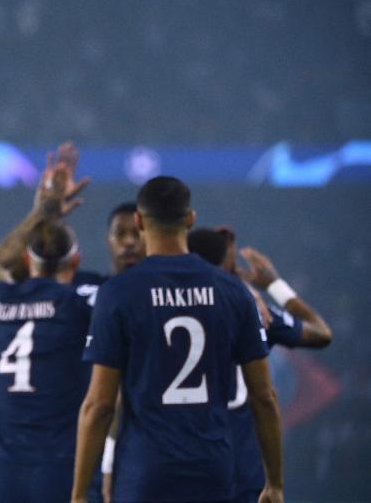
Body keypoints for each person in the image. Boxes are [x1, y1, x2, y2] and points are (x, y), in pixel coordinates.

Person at [71, 177, 284, 503]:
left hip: (143, 471)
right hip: (212, 466)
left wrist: (79, 495)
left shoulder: (118, 293)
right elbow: (264, 397)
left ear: (140, 221)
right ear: (190, 219)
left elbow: (99, 405)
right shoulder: (232, 292)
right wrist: (274, 483)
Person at [0, 144, 99, 502]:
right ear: (75, 262)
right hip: (58, 464)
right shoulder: (78, 307)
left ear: (28, 264)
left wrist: (42, 213)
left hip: (2, 467)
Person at [188, 227, 332, 503]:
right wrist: (273, 286)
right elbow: (321, 333)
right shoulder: (251, 309)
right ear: (227, 265)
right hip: (239, 468)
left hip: (177, 466)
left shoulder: (161, 310)